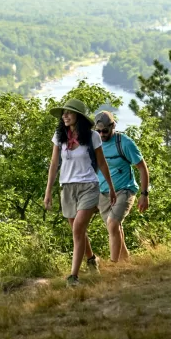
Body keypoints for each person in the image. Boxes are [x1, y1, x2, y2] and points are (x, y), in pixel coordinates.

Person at [44, 98, 116, 286]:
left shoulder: (93, 137)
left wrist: (111, 188)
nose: (65, 116)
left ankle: (73, 277)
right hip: (67, 188)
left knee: (77, 229)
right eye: (64, 113)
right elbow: (54, 164)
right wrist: (48, 191)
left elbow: (102, 163)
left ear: (78, 116)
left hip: (89, 187)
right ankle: (92, 259)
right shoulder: (59, 137)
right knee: (78, 232)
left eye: (69, 112)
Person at [93, 111, 149, 263]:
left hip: (125, 190)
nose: (102, 134)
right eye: (98, 131)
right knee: (114, 229)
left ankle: (113, 267)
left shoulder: (124, 142)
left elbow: (142, 168)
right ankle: (125, 264)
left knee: (112, 225)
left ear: (113, 126)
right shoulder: (94, 143)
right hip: (103, 193)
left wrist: (144, 194)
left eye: (105, 131)